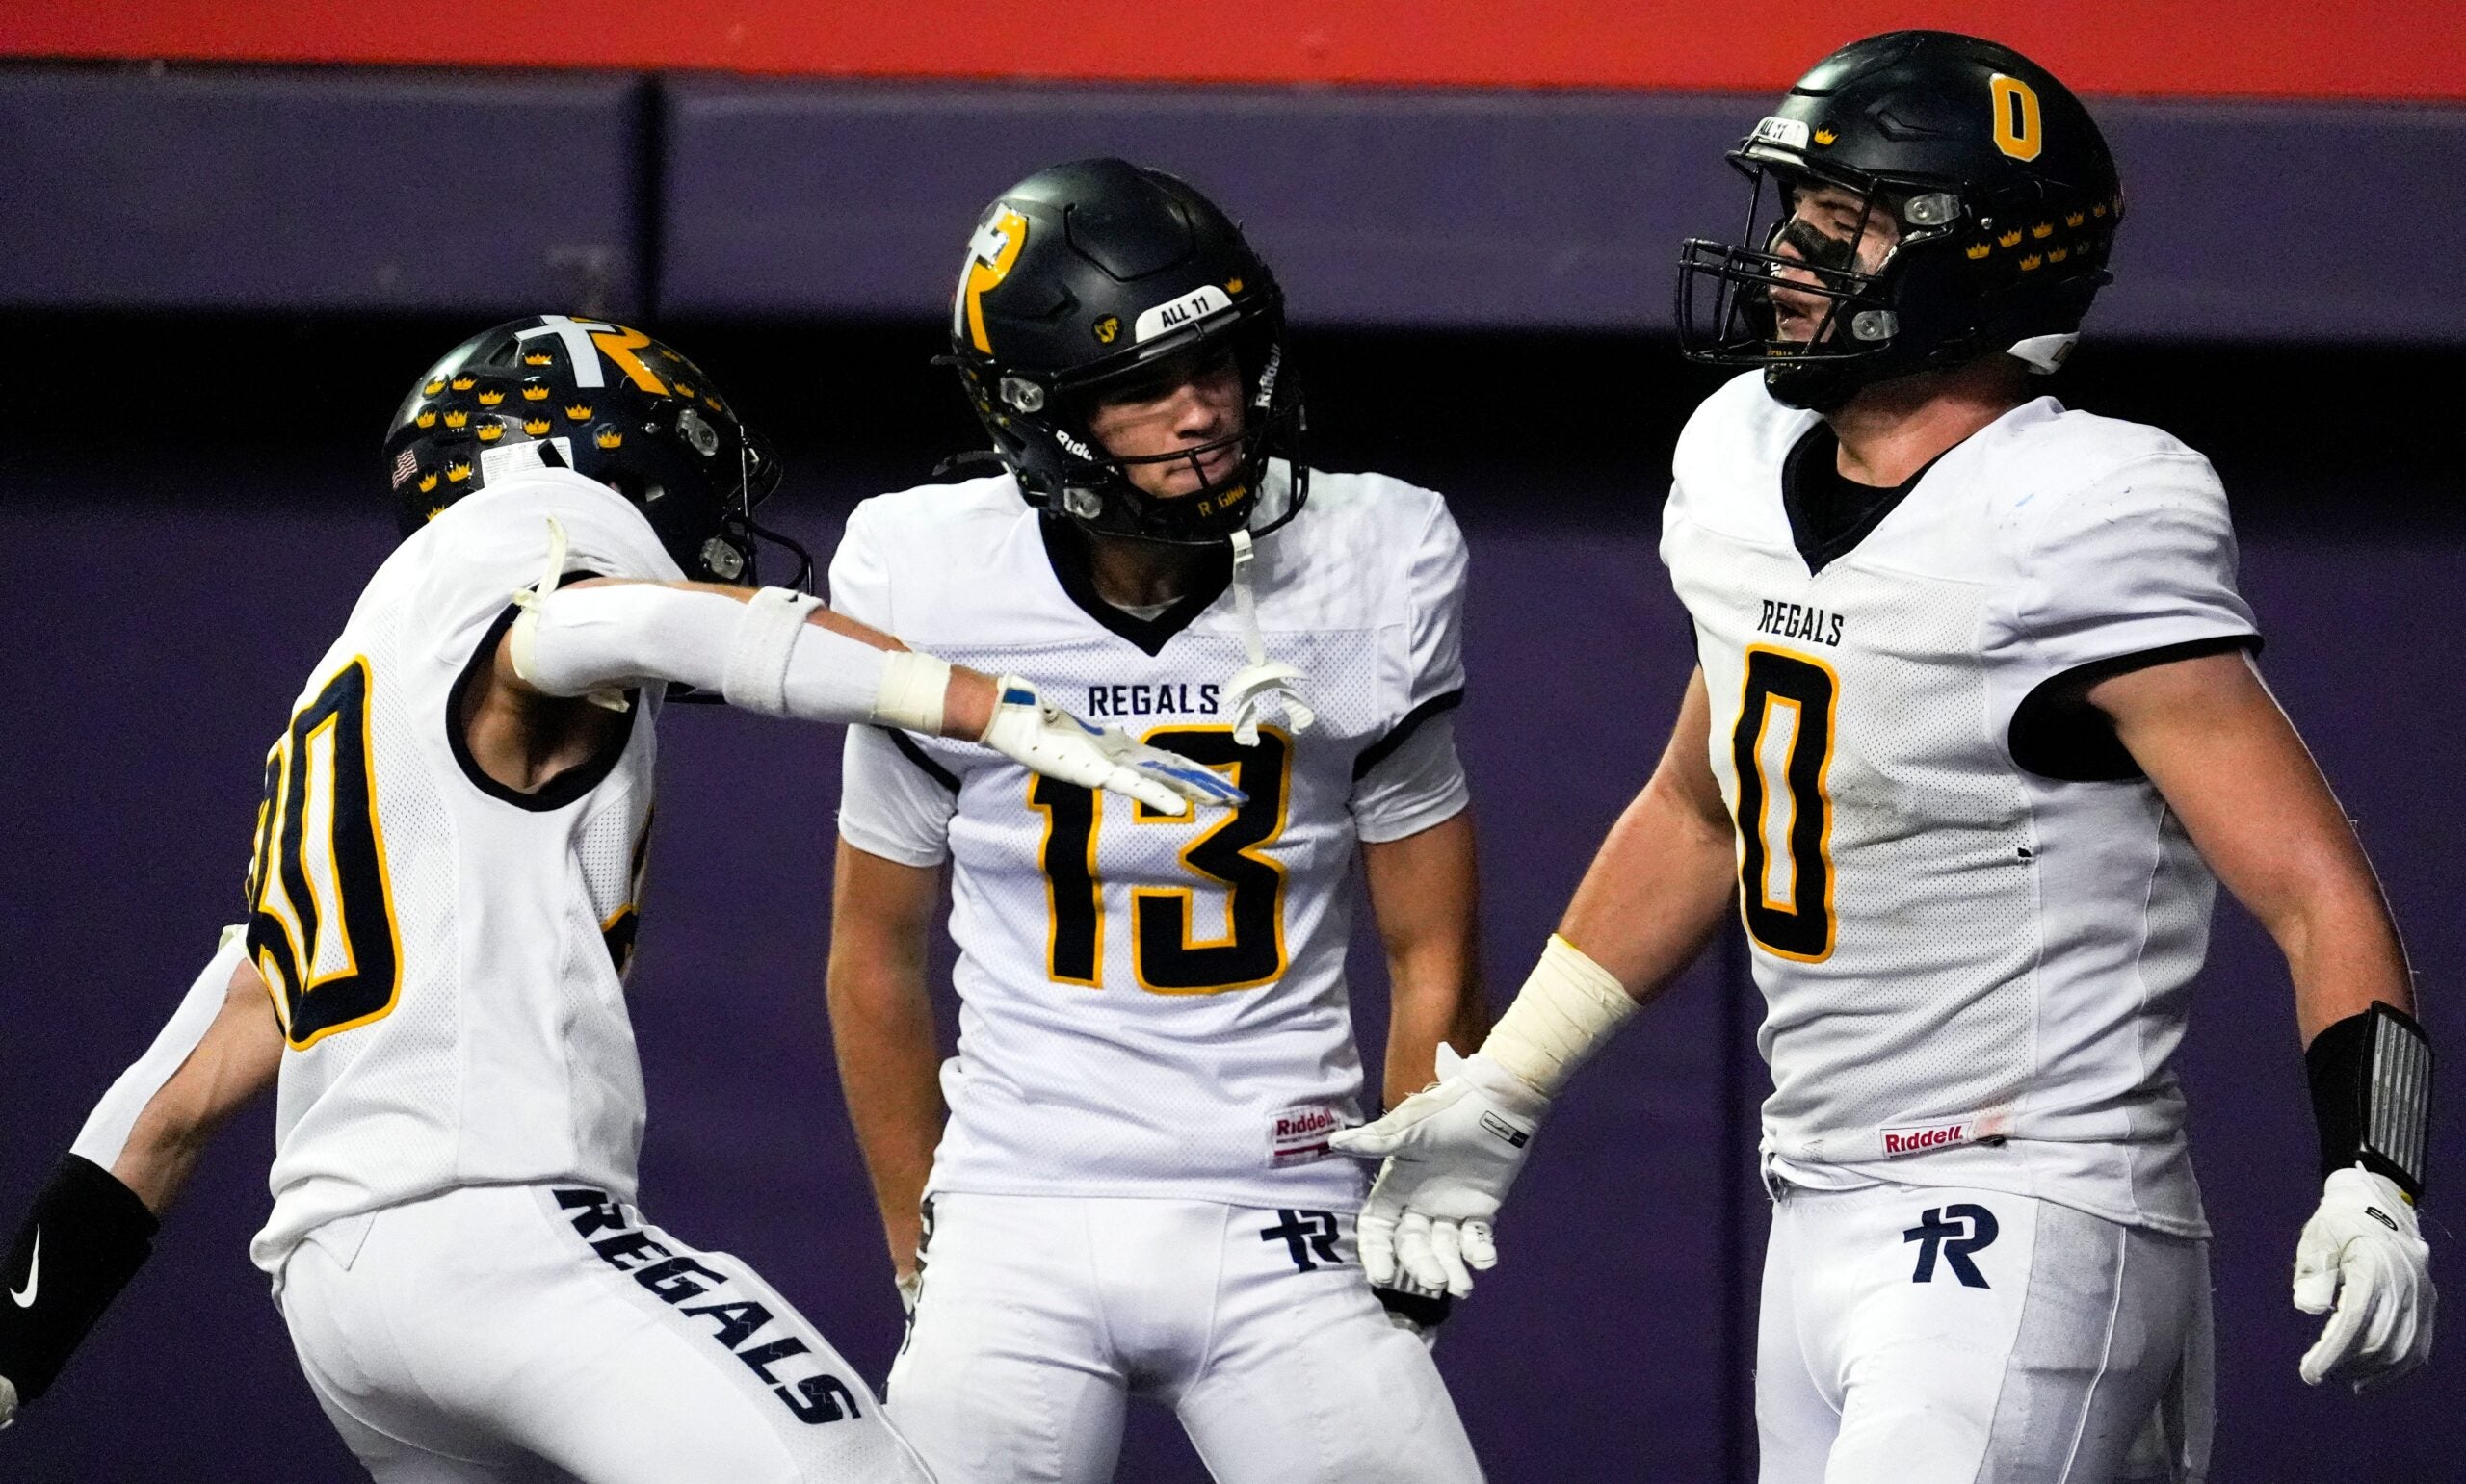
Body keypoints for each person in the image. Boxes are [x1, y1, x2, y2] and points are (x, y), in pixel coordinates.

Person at [1333, 31, 2435, 1483]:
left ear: (1977, 262)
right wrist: (1508, 1084)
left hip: (2031, 1190)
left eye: (1846, 222)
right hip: (1820, 1199)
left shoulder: (2080, 509)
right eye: (1798, 210)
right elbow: (1703, 804)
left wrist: (2376, 1174)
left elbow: (2313, 883)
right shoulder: (1736, 456)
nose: (1792, 251)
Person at [0, 315, 1238, 1482]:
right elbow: (604, 623)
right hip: (500, 1240)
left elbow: (176, 1097)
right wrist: (990, 703)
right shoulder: (524, 553)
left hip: (341, 1296)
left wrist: (19, 1346)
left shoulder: (363, 697)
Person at [826, 159, 1488, 1482]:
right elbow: (872, 956)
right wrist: (923, 1242)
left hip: (1286, 1208)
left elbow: (1430, 944)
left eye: (1224, 364)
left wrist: (1418, 1172)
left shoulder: (1379, 552)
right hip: (1018, 1206)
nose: (1207, 414)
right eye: (1142, 386)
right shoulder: (928, 572)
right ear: (1038, 413)